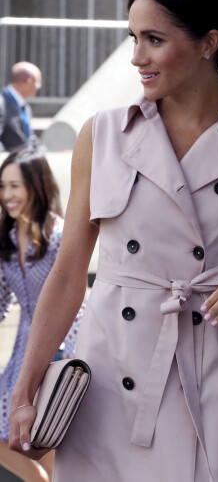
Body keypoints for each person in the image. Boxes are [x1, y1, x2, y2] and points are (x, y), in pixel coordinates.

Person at [9, 0, 218, 481]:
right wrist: (25, 390)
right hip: (110, 383)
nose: (137, 57)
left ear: (208, 43)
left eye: (154, 39)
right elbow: (69, 272)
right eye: (133, 37)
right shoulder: (103, 135)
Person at [0, 149, 81, 482]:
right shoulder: (6, 240)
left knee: (45, 441)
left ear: (36, 185)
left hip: (59, 352)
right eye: (2, 187)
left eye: (15, 186)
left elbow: (75, 302)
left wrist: (67, 358)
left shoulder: (59, 237)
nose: (7, 196)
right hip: (22, 352)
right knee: (23, 439)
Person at [0, 62, 42, 151]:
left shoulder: (25, 107)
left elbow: (29, 140)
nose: (39, 86)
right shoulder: (2, 103)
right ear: (28, 81)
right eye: (38, 82)